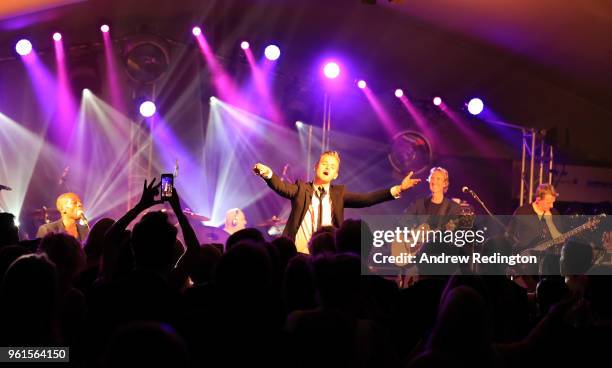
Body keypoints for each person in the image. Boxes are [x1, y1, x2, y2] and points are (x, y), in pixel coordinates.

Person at [254, 150, 420, 253]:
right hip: (298, 252)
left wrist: (399, 188)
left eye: (332, 166)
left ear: (336, 175)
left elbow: (366, 199)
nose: (327, 167)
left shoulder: (338, 194)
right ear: (316, 167)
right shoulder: (301, 189)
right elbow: (282, 187)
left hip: (325, 253)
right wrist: (269, 175)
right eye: (324, 163)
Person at [508, 183, 564, 251]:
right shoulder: (522, 212)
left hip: (547, 258)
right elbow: (509, 234)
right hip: (525, 257)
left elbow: (560, 241)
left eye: (553, 202)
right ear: (538, 199)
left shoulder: (554, 213)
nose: (551, 206)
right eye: (548, 202)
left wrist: (550, 222)